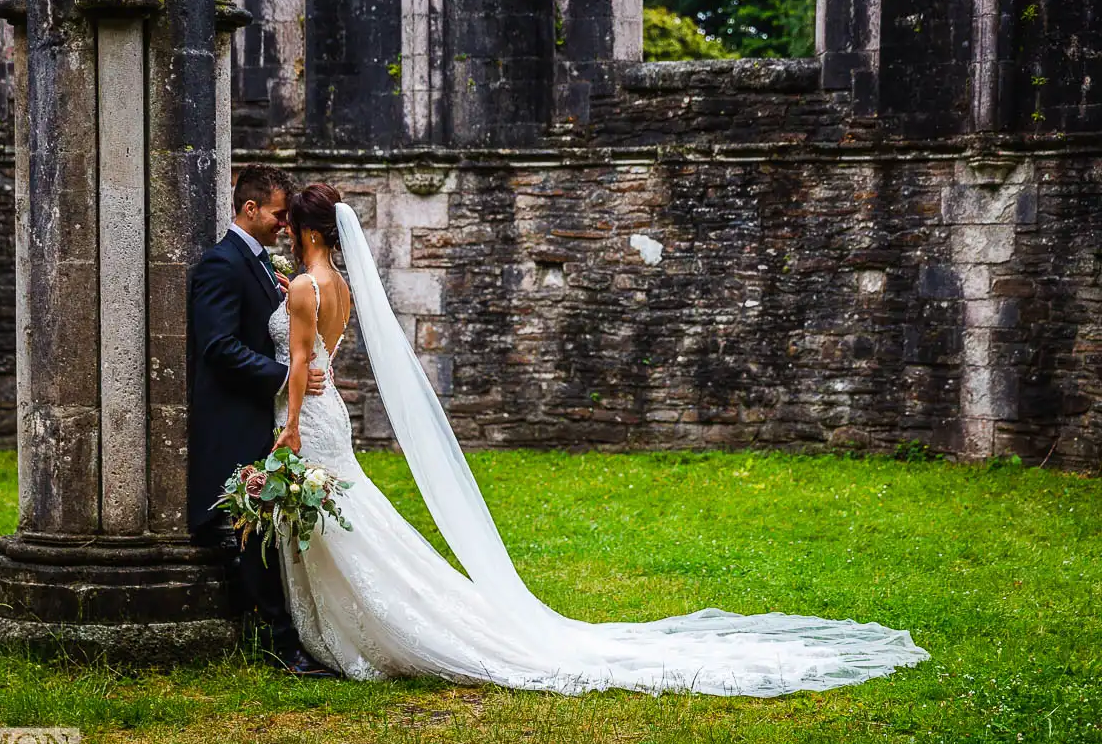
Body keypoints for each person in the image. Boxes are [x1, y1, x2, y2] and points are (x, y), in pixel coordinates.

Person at [264, 182, 930, 696]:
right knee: (346, 520)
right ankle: (350, 628)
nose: (284, 234)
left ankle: (366, 634)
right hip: (333, 412)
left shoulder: (301, 285)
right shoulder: (340, 285)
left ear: (301, 229)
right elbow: (323, 357)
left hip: (310, 419)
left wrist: (290, 427)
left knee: (343, 521)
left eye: (288, 226)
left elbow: (300, 364)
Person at [187, 165, 338, 677]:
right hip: (237, 418)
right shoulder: (220, 265)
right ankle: (282, 644)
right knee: (256, 526)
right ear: (249, 209)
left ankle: (293, 635)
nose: (283, 223)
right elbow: (218, 347)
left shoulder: (259, 265)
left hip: (269, 417)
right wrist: (284, 377)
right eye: (277, 213)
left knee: (275, 524)